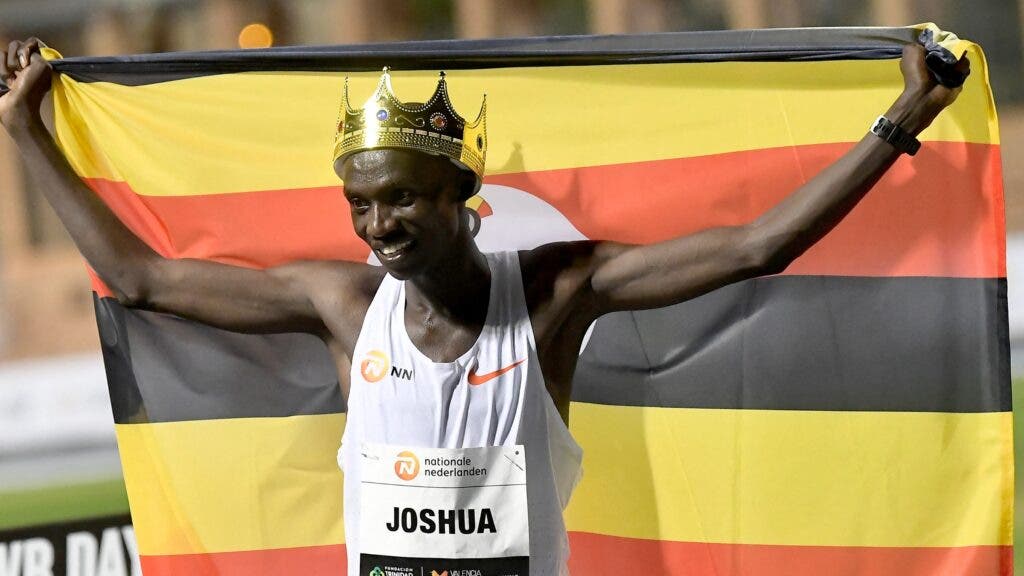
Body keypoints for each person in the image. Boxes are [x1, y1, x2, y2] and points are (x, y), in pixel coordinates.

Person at [0, 38, 968, 576]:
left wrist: (900, 122)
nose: (377, 223)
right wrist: (25, 131)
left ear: (464, 200)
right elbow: (144, 283)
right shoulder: (343, 306)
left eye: (402, 198)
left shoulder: (553, 294)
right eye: (360, 203)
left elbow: (759, 246)